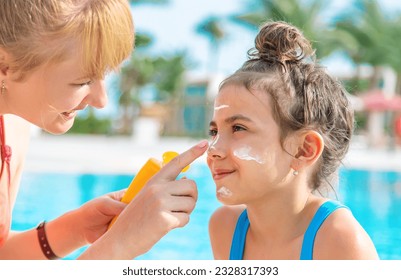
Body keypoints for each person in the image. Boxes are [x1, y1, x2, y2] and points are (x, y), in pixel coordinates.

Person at [0, 0, 208, 260]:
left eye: (104, 75)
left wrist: (75, 227)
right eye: (83, 81)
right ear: (4, 66)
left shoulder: (12, 127)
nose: (102, 101)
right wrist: (119, 245)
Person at [206, 21, 378, 260]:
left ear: (304, 150)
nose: (213, 150)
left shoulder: (340, 242)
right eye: (214, 131)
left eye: (238, 128)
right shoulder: (226, 228)